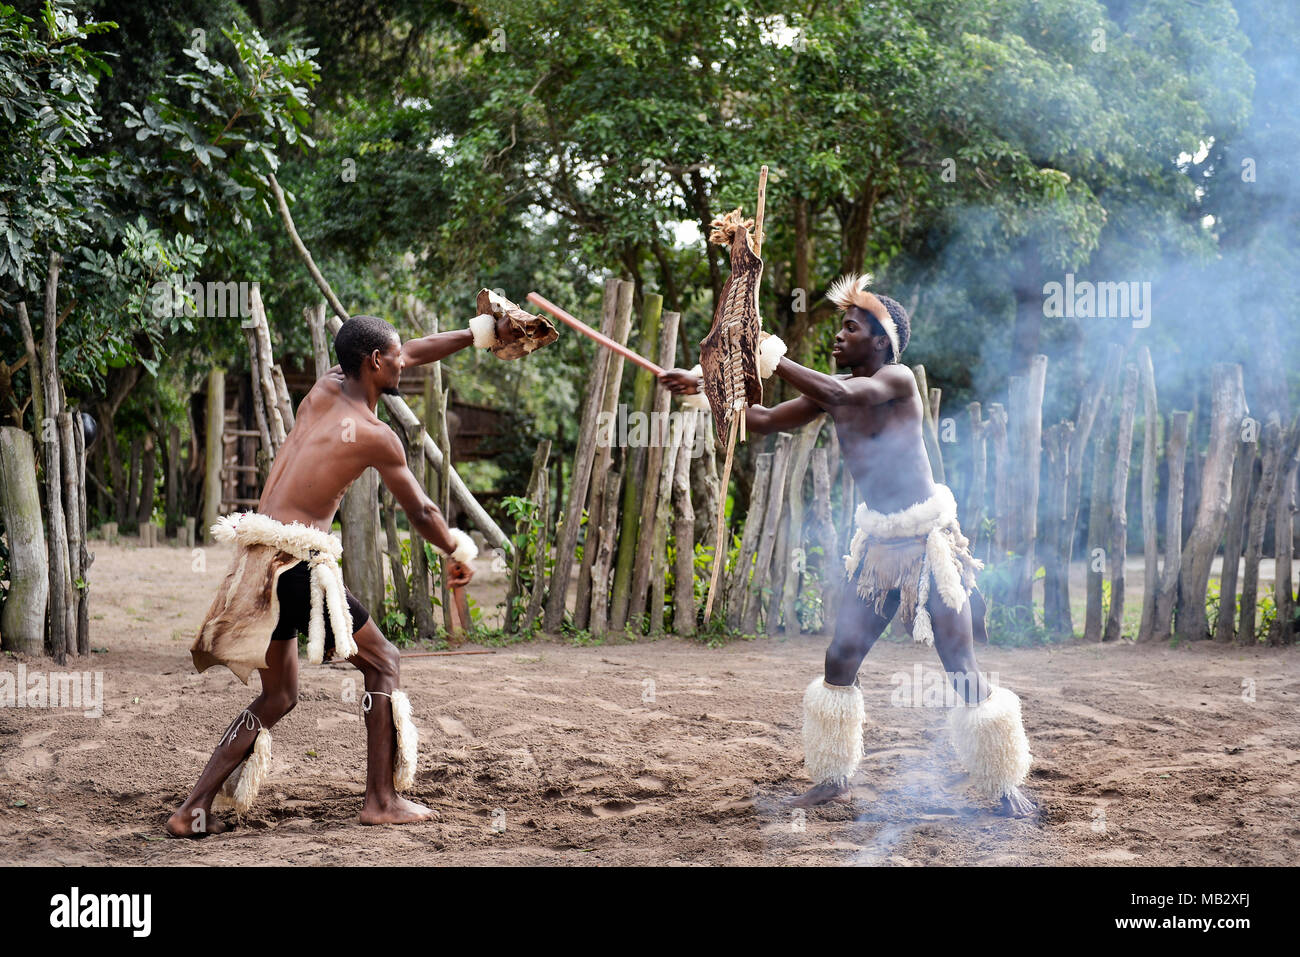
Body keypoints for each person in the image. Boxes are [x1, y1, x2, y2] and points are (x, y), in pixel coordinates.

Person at [658, 274, 1035, 817]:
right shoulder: (833, 393)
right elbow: (760, 421)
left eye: (851, 327)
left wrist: (768, 355)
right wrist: (703, 389)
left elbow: (837, 391)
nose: (839, 336)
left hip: (929, 548)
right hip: (879, 550)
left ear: (881, 341)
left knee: (960, 663)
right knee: (840, 657)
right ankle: (833, 780)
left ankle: (1003, 786)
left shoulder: (896, 380)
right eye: (840, 326)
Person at [167, 311, 520, 836]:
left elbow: (414, 350)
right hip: (299, 565)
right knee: (382, 663)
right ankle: (380, 799)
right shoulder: (378, 436)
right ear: (376, 362)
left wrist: (479, 335)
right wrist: (458, 549)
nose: (406, 360)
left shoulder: (327, 387)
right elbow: (422, 513)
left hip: (260, 556)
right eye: (394, 355)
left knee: (279, 696)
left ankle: (190, 811)